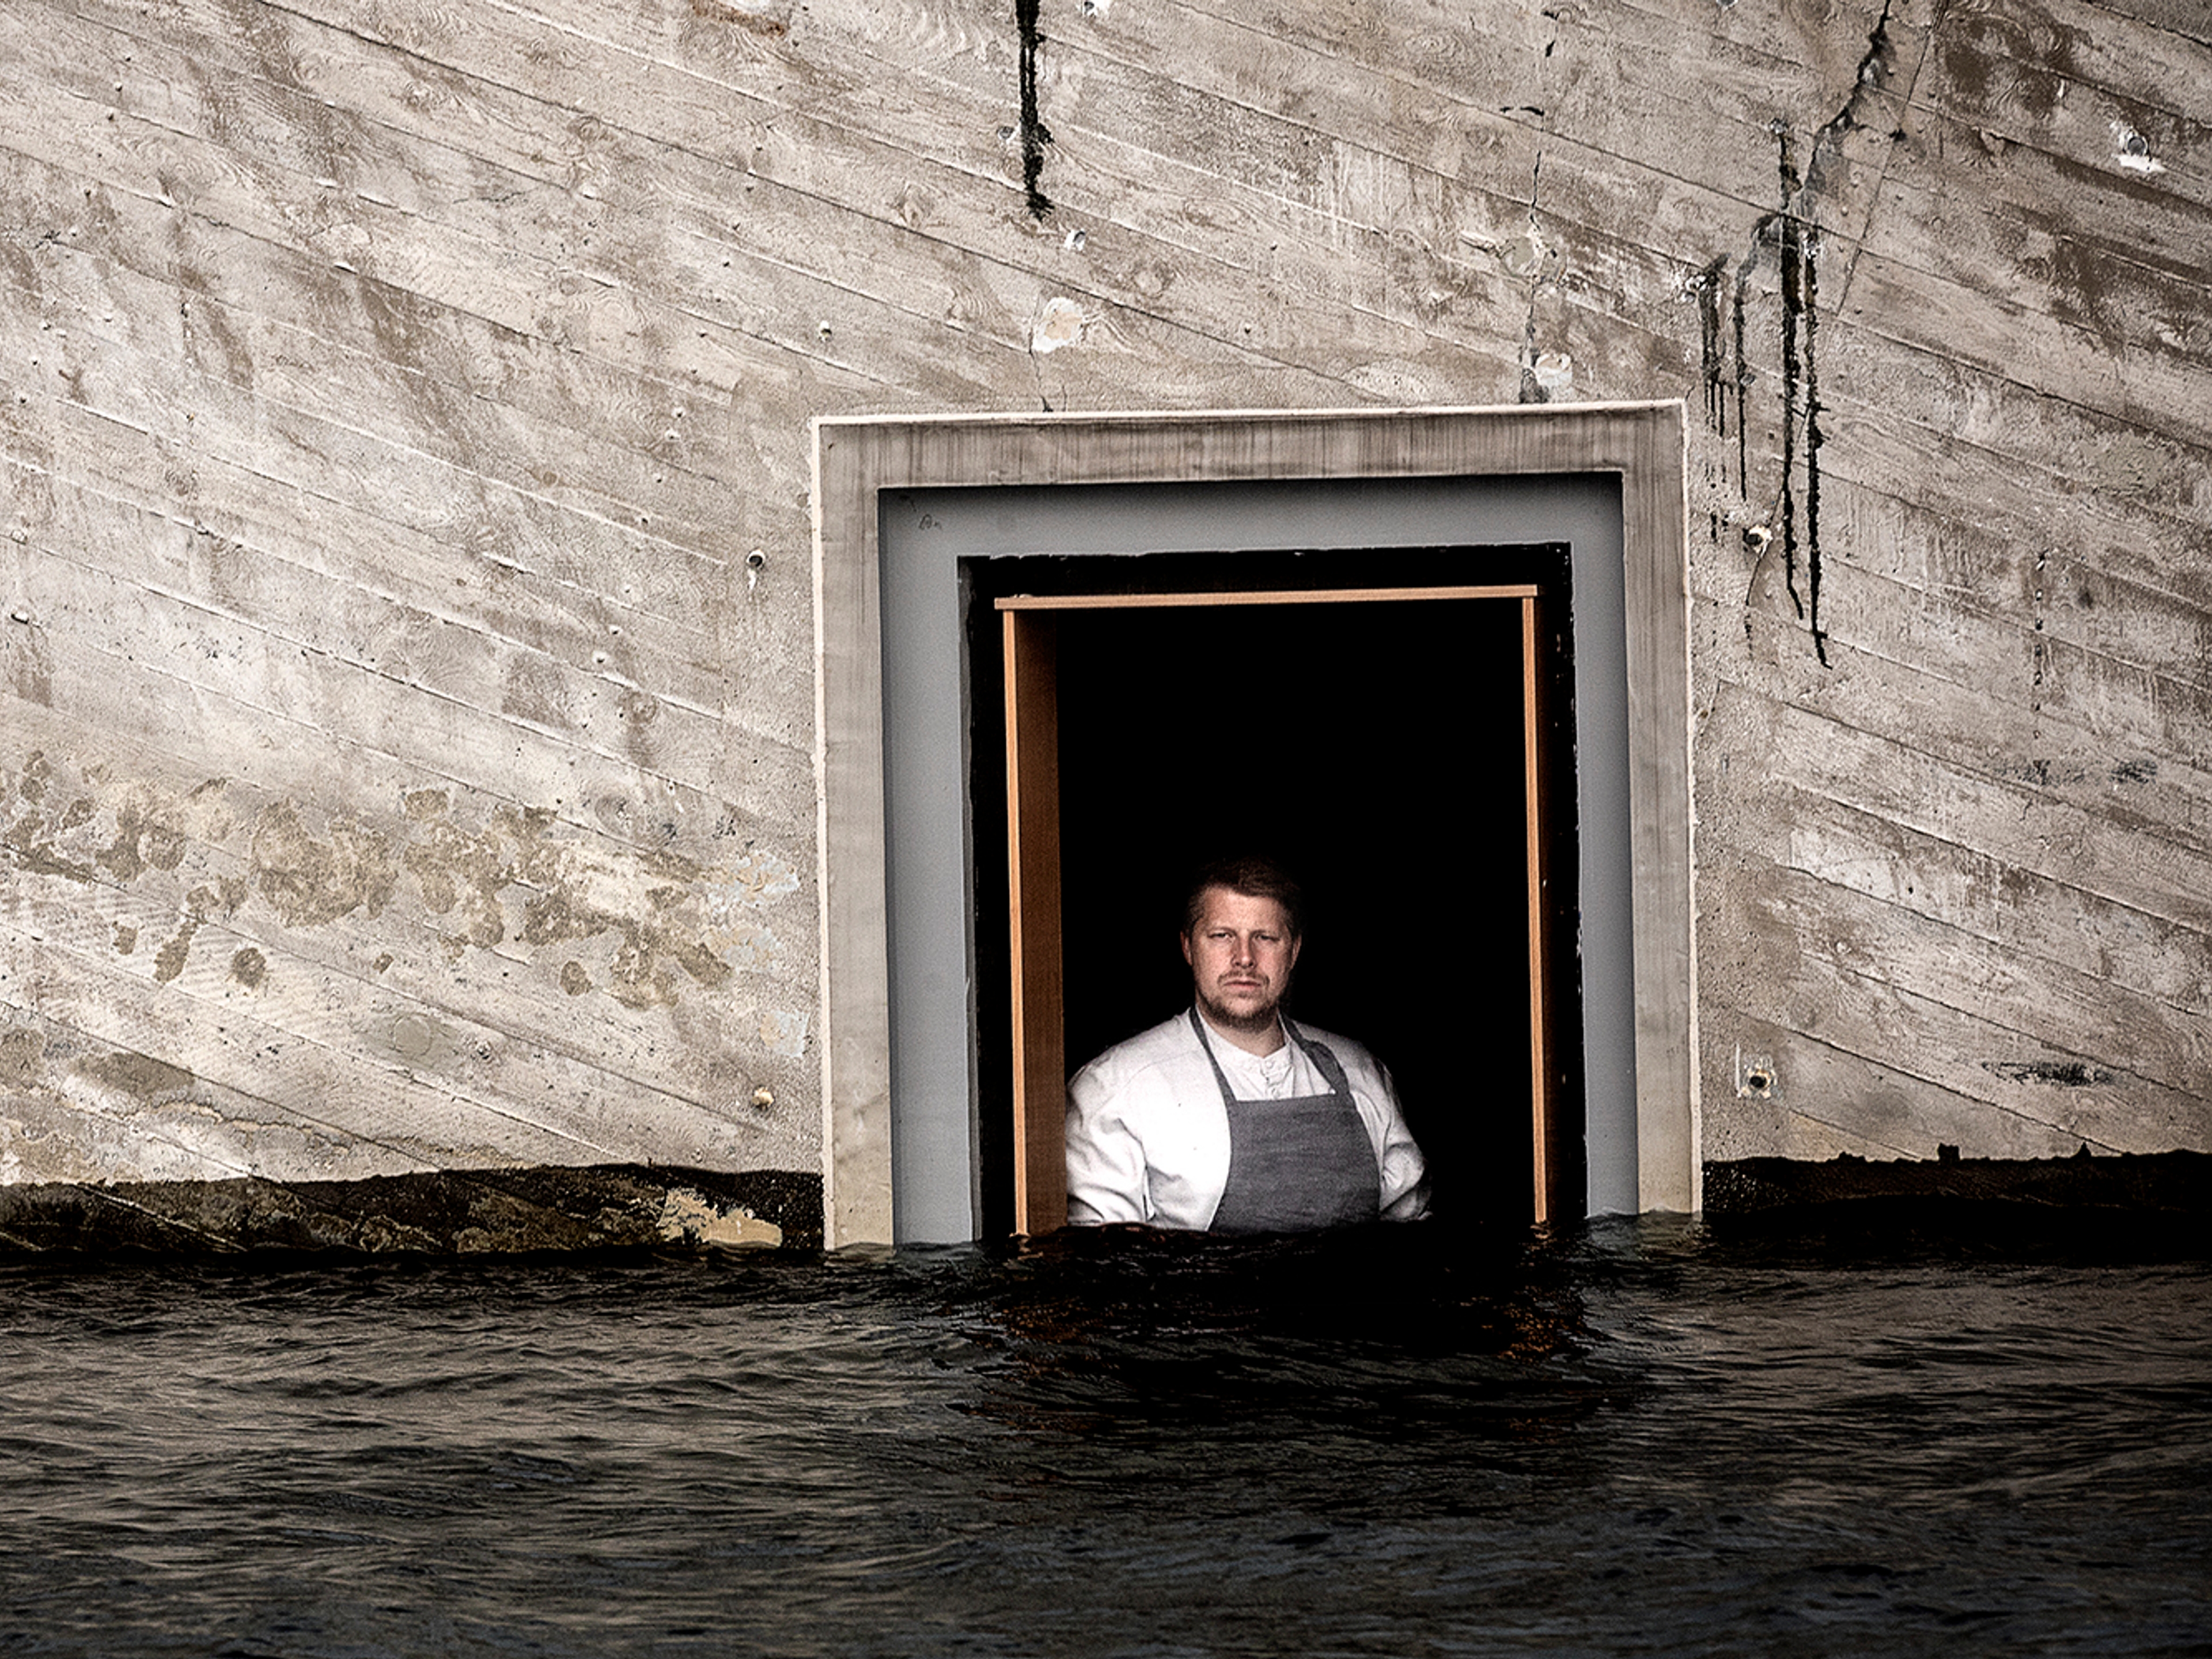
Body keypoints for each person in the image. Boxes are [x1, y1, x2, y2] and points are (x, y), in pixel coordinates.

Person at [1063, 857, 1429, 1232]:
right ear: (1189, 948)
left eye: (1265, 938)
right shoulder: (1115, 1089)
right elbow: (1106, 1272)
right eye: (1222, 936)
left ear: (1294, 951)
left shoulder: (1363, 1074)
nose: (1244, 959)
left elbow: (1410, 1243)